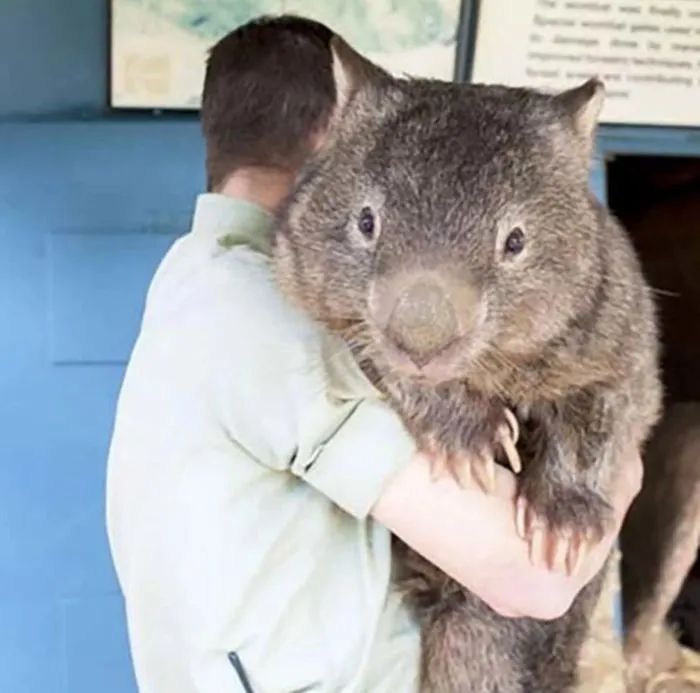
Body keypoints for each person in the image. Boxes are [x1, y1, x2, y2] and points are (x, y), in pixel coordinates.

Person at [105, 14, 643, 693]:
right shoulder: (262, 314)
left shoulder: (196, 281)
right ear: (338, 139)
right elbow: (529, 577)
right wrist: (624, 476)